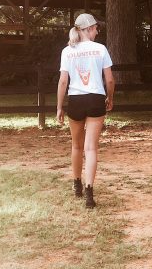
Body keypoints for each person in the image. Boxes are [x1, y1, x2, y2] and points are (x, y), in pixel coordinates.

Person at [56, 13, 115, 208]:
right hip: (96, 98)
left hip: (76, 100)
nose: (97, 31)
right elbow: (110, 80)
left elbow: (63, 81)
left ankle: (76, 185)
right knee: (91, 148)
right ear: (88, 29)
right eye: (96, 28)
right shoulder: (100, 49)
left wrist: (59, 107)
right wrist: (110, 97)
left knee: (76, 146)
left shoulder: (67, 51)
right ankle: (89, 192)